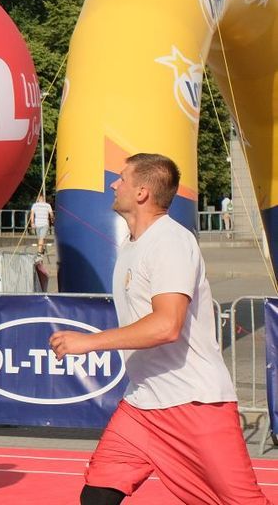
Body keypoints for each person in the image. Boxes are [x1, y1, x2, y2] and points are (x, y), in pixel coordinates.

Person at [49, 153, 269, 505]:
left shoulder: (170, 241)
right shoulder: (131, 245)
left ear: (142, 193)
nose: (113, 184)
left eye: (122, 178)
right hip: (143, 404)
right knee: (97, 495)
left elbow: (167, 325)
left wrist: (89, 343)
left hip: (194, 405)